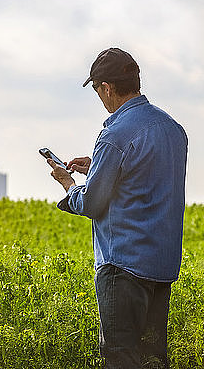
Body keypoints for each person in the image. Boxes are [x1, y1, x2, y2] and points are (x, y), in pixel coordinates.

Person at [46, 47, 188, 368]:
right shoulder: (173, 130)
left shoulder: (114, 134)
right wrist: (97, 164)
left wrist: (69, 185)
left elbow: (93, 203)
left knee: (121, 358)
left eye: (97, 90)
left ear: (106, 87)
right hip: (162, 267)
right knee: (153, 359)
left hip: (122, 267)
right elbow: (147, 176)